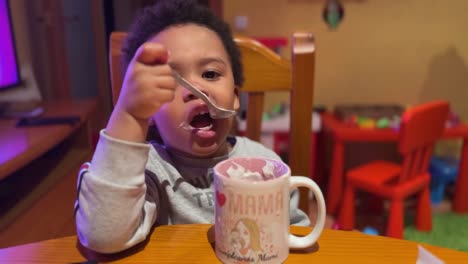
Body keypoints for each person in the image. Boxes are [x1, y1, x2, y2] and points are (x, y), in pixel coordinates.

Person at [75, 0, 309, 254]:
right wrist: (129, 114)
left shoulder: (265, 165)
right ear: (150, 112)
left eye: (210, 74)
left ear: (233, 98)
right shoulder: (146, 172)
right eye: (171, 82)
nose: (195, 90)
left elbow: (296, 236)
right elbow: (102, 235)